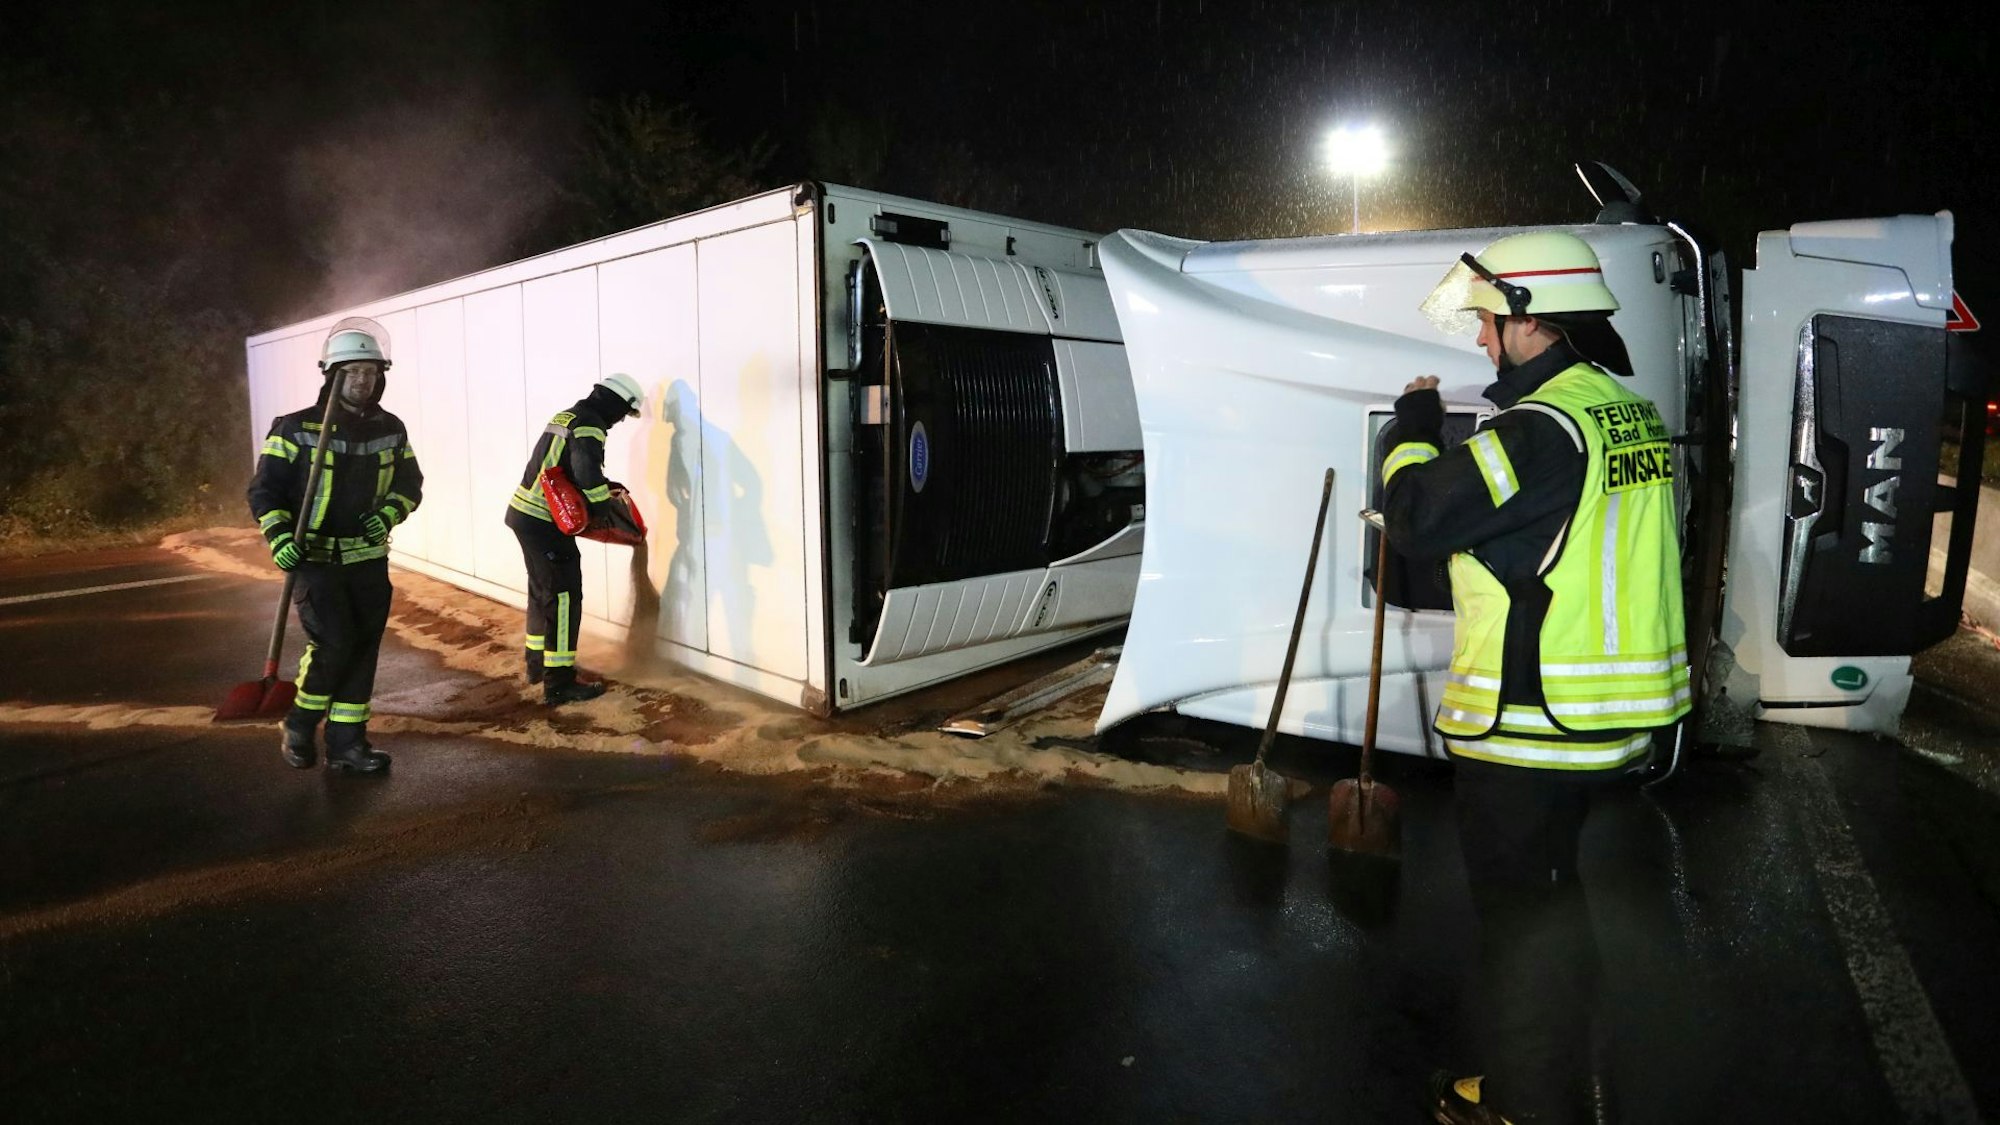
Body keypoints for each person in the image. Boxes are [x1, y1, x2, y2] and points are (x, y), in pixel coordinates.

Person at [1379, 232, 1689, 1125]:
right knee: (1554, 909)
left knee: (1521, 929)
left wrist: (1412, 434)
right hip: (1606, 720)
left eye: (1486, 320)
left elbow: (1415, 516)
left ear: (1531, 318)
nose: (1480, 338)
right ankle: (1549, 1079)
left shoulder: (1540, 429)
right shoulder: (1621, 409)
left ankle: (1523, 1104)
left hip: (1529, 728)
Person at [248, 326, 423, 775]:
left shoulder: (391, 428)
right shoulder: (295, 428)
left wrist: (388, 514)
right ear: (332, 374)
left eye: (370, 372)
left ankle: (347, 744)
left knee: (362, 650)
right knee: (335, 643)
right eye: (353, 371)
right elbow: (265, 491)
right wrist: (280, 538)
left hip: (368, 562)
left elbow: (410, 484)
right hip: (316, 560)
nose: (363, 380)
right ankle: (300, 722)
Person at [505, 373, 643, 704]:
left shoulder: (568, 415)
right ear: (615, 403)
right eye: (624, 413)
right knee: (565, 596)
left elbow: (566, 468)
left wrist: (602, 487)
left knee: (542, 591)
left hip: (524, 514)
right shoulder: (591, 425)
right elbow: (586, 474)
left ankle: (537, 665)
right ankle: (560, 682)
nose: (621, 420)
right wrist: (603, 510)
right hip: (545, 522)